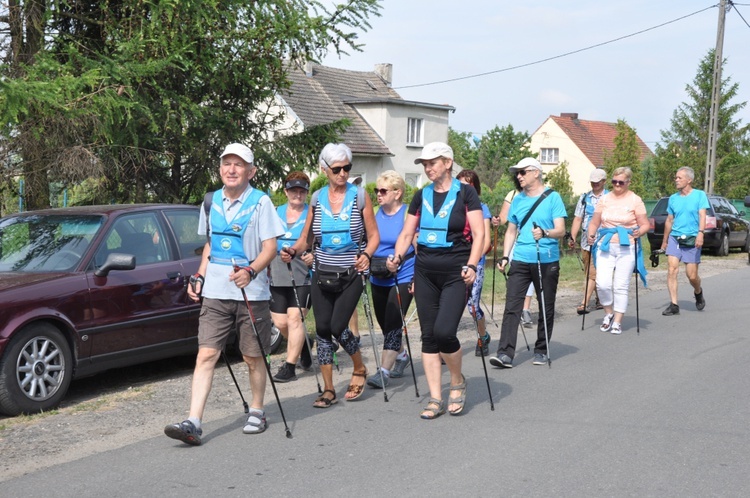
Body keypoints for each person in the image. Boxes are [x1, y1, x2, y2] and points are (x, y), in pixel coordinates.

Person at [164, 143, 285, 445]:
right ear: (220, 169)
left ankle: (257, 410)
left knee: (252, 356)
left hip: (251, 292)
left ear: (251, 171)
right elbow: (209, 245)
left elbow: (271, 248)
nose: (231, 170)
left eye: (239, 165)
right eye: (226, 164)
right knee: (206, 353)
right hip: (216, 292)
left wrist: (251, 271)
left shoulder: (261, 203)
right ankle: (193, 421)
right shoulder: (210, 201)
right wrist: (199, 276)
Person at [387, 142, 485, 419]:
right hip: (425, 271)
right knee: (428, 337)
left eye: (433, 162)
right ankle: (435, 397)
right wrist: (396, 256)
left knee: (445, 332)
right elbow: (407, 234)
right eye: (425, 164)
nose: (428, 168)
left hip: (456, 272)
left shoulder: (466, 194)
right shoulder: (421, 195)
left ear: (448, 162)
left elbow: (479, 235)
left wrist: (472, 265)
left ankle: (456, 380)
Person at [281, 143, 379, 408]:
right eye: (337, 169)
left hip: (352, 272)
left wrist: (367, 255)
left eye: (347, 168)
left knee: (337, 326)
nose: (343, 174)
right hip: (322, 271)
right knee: (322, 329)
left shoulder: (360, 196)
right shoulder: (316, 198)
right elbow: (306, 238)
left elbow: (374, 237)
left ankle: (359, 368)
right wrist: (292, 249)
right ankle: (328, 389)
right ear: (325, 170)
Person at [490, 157, 567, 368]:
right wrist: (506, 256)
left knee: (545, 305)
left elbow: (561, 230)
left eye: (523, 172)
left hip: (546, 258)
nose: (519, 176)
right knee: (512, 305)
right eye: (517, 172)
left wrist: (545, 232)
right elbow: (511, 230)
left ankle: (541, 349)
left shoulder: (553, 197)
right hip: (521, 258)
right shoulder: (518, 199)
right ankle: (505, 353)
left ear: (536, 172)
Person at [365, 170, 416, 389]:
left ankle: (383, 371)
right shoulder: (374, 213)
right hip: (377, 276)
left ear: (397, 192)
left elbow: (418, 245)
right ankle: (402, 355)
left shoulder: (408, 215)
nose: (378, 194)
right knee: (384, 324)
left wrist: (417, 277)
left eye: (383, 190)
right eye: (376, 190)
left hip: (403, 275)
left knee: (394, 322)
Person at [586, 167, 649, 334]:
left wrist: (639, 232)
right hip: (606, 244)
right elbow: (594, 222)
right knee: (602, 283)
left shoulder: (635, 200)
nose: (617, 185)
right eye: (614, 182)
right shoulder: (605, 199)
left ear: (628, 182)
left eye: (621, 182)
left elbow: (645, 224)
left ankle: (618, 321)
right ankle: (609, 313)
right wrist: (590, 234)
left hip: (627, 246)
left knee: (620, 285)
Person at [269, 172, 315, 383]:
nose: (298, 195)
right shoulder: (274, 213)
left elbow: (320, 242)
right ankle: (304, 346)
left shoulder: (312, 214)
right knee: (280, 322)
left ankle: (289, 366)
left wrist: (313, 256)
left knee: (296, 318)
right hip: (277, 273)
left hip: (303, 273)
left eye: (302, 191)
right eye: (294, 190)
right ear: (286, 192)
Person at [659, 166, 709, 316]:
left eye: (679, 178)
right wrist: (665, 241)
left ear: (689, 180)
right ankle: (674, 304)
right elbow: (669, 220)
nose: (676, 180)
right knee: (672, 269)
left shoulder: (699, 195)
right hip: (675, 237)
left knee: (692, 275)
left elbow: (702, 216)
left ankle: (698, 291)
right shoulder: (673, 198)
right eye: (676, 177)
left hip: (693, 238)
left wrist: (700, 233)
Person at [456, 169, 492, 356]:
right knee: (453, 304)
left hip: (474, 263)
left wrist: (473, 262)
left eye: (468, 185)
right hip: (455, 261)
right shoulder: (453, 207)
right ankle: (448, 345)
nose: (464, 188)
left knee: (472, 306)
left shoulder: (481, 207)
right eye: (461, 184)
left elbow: (485, 241)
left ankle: (483, 336)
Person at [492, 178, 535, 327]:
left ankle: (526, 310)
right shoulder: (512, 195)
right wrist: (498, 221)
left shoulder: (541, 194)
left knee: (530, 275)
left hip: (531, 241)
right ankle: (515, 308)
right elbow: (505, 217)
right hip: (514, 240)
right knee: (516, 274)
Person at [569, 168, 609, 314]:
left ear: (604, 181)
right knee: (589, 271)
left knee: (592, 272)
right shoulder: (584, 198)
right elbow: (578, 218)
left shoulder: (610, 197)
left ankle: (584, 303)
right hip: (586, 240)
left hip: (604, 240)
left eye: (597, 182)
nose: (594, 185)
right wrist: (573, 236)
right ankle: (599, 299)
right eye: (593, 182)